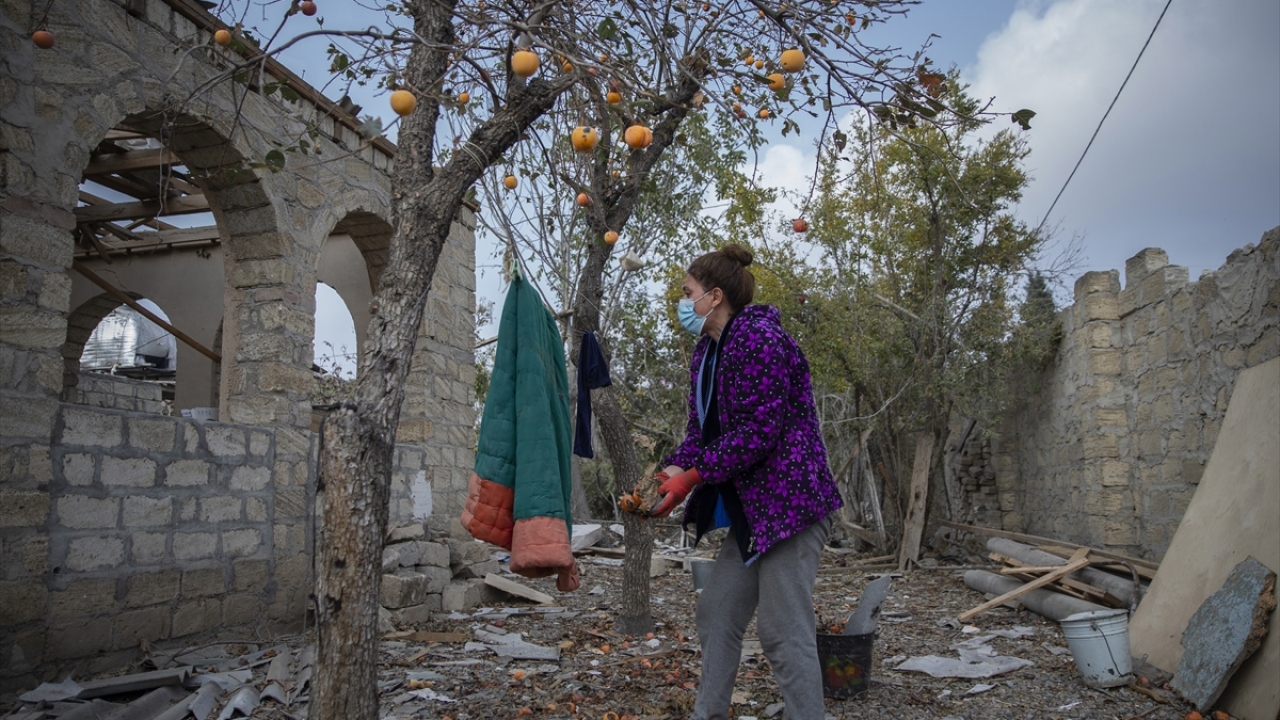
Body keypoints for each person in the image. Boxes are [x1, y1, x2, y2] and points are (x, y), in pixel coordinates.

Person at [647, 244, 843, 720]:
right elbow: (700, 433)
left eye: (687, 292)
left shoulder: (759, 339)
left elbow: (760, 431)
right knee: (716, 614)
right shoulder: (706, 355)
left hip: (792, 506)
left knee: (782, 631)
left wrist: (694, 476)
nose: (682, 300)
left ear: (714, 296)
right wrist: (676, 472)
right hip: (755, 513)